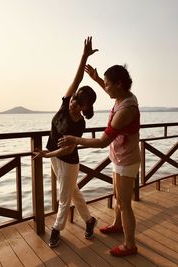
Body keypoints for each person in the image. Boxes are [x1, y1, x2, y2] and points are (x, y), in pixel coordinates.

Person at [58, 64, 140, 257]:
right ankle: (118, 225)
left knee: (125, 204)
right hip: (119, 155)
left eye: (107, 84)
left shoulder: (125, 111)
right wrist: (96, 79)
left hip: (127, 159)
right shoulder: (125, 95)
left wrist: (75, 139)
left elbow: (102, 142)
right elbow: (111, 91)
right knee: (117, 195)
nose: (105, 87)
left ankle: (130, 245)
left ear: (119, 84)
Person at [33, 37, 98, 248]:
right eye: (74, 98)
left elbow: (66, 149)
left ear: (85, 108)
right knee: (73, 192)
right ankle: (89, 221)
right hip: (54, 157)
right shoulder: (65, 103)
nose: (73, 103)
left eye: (79, 103)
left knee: (63, 197)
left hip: (68, 161)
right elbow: (77, 78)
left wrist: (45, 154)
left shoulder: (79, 127)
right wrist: (84, 56)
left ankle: (56, 230)